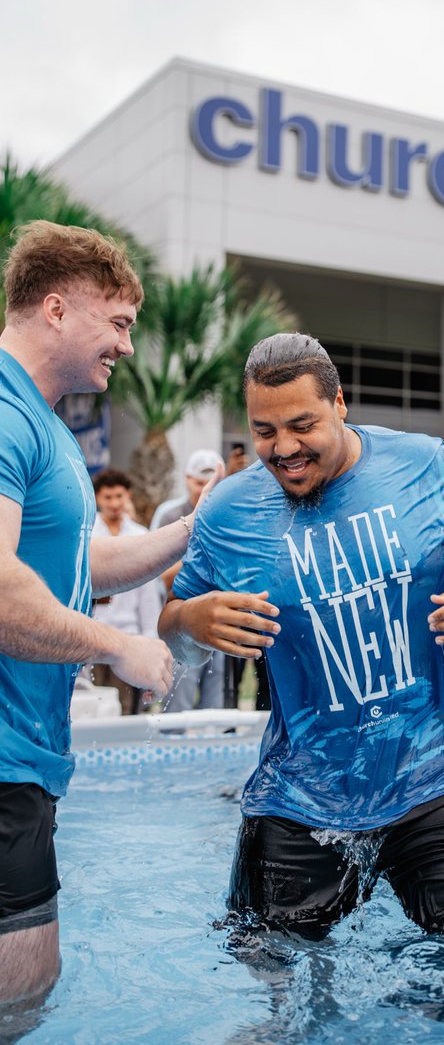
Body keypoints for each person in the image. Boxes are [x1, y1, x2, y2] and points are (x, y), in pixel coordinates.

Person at [159, 333, 444, 950]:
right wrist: (189, 621)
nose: (283, 449)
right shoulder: (226, 511)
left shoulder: (424, 461)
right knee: (273, 981)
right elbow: (174, 633)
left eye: (301, 425)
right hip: (301, 790)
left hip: (441, 766)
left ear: (341, 403)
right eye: (264, 432)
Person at [0, 221, 202, 1005]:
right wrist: (122, 648)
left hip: (23, 754)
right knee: (22, 991)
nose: (125, 345)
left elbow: (71, 563)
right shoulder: (8, 414)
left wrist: (192, 527)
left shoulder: (41, 422)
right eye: (117, 323)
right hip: (3, 760)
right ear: (56, 308)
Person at [151, 449, 227, 713]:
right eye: (199, 481)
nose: (204, 488)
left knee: (214, 697)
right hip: (178, 619)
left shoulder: (224, 512)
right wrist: (201, 561)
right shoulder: (169, 514)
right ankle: (172, 747)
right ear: (187, 479)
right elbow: (158, 574)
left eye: (211, 482)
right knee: (178, 699)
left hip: (216, 616)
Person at [90, 468, 164, 714]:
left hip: (130, 639)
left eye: (119, 496)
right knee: (90, 711)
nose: (113, 503)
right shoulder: (88, 535)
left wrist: (150, 640)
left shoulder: (139, 536)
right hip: (91, 638)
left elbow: (149, 598)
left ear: (128, 496)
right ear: (98, 498)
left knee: (126, 714)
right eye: (107, 497)